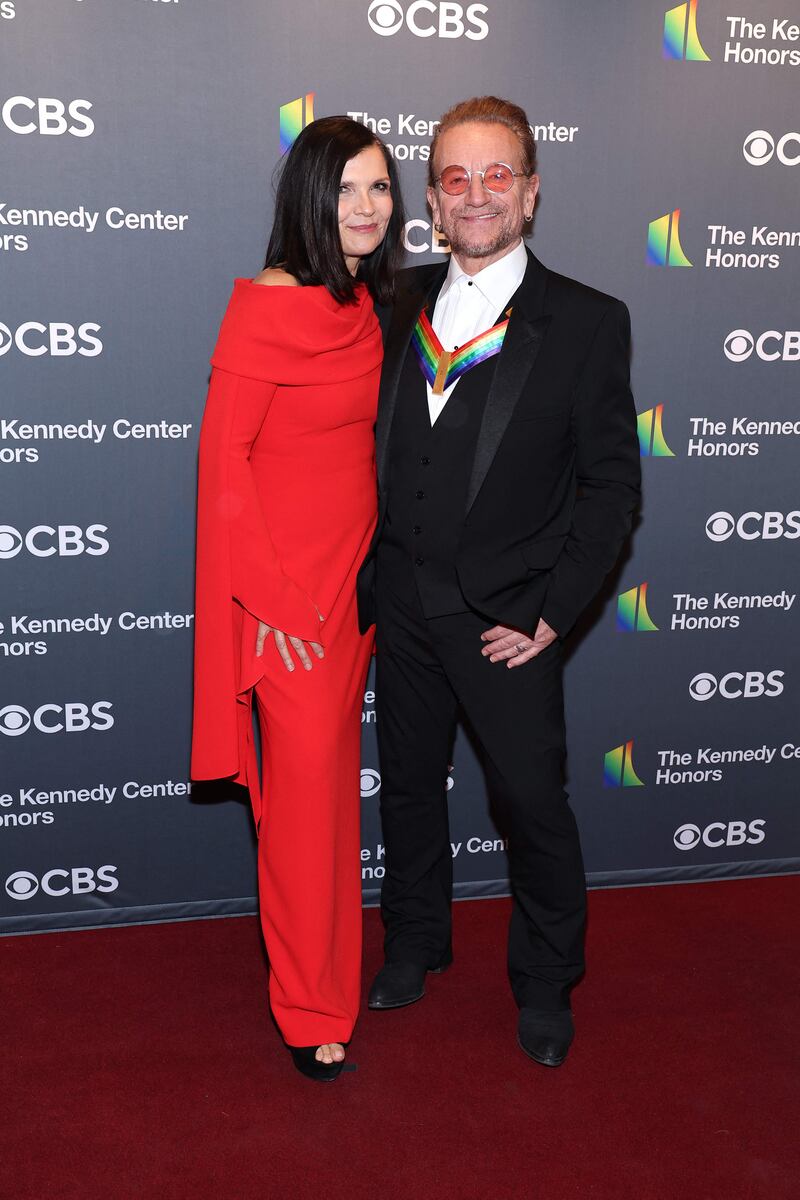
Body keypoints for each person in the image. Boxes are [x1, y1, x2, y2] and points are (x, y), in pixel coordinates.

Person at [357, 96, 641, 1068]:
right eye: (452, 177)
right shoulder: (392, 302)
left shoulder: (587, 322)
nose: (473, 194)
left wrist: (555, 613)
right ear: (431, 196)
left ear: (528, 190)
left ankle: (546, 981)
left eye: (494, 175)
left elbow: (610, 488)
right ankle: (415, 944)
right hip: (399, 603)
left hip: (504, 620)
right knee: (404, 790)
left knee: (529, 803)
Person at [192, 116, 405, 1082]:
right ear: (308, 199)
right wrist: (274, 603)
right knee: (309, 809)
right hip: (287, 603)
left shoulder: (362, 300)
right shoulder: (267, 302)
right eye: (347, 189)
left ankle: (328, 975)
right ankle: (311, 1004)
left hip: (357, 587)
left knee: (326, 808)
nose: (366, 208)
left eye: (380, 189)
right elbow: (223, 462)